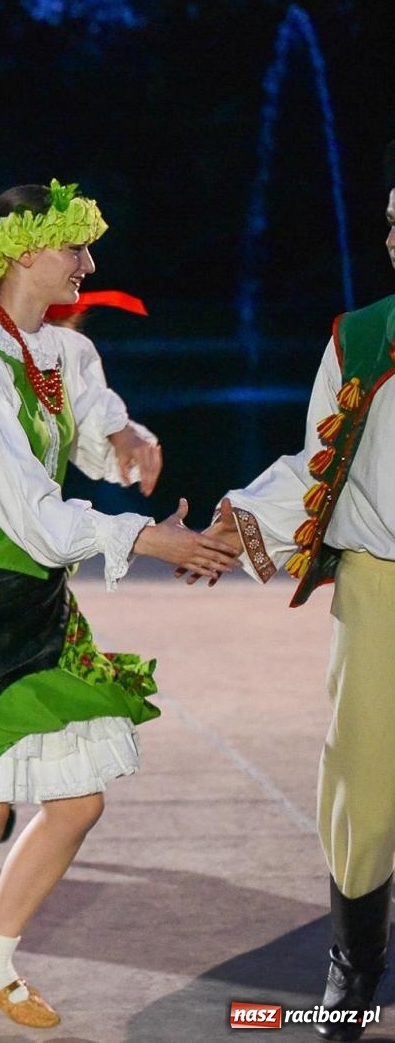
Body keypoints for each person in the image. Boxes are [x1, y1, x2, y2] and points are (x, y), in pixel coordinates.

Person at [0, 181, 238, 1043]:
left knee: (76, 800)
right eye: (77, 248)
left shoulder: (57, 350)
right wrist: (149, 540)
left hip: (28, 588)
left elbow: (90, 425)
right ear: (27, 252)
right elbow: (27, 510)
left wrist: (126, 440)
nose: (90, 263)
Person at [205, 146, 395, 1042]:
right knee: (364, 777)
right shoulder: (363, 337)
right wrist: (234, 523)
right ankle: (353, 968)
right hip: (382, 583)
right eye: (394, 224)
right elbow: (320, 460)